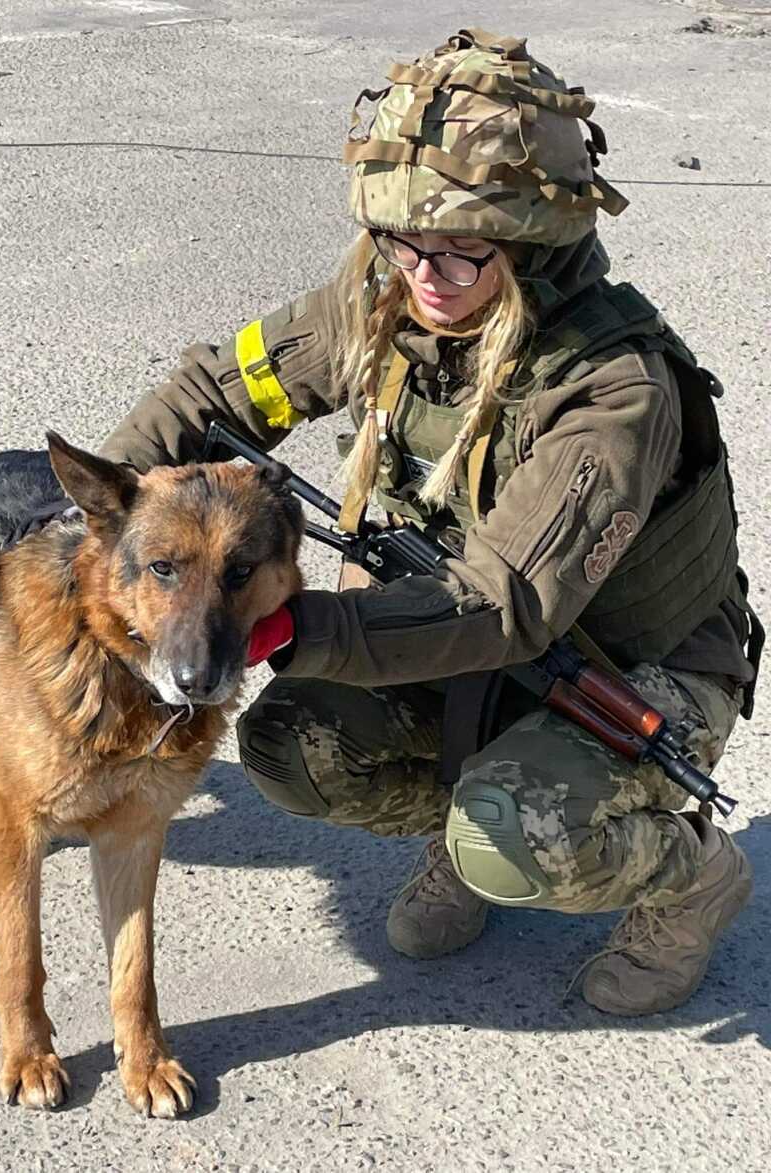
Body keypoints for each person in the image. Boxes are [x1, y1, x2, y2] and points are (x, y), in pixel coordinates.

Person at [100, 27, 762, 1013]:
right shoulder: (386, 291)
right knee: (291, 745)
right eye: (408, 241)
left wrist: (291, 627)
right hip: (462, 630)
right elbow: (218, 394)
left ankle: (687, 881)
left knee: (509, 839)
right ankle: (467, 815)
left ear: (536, 240)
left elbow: (504, 605)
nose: (427, 275)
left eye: (464, 250)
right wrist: (92, 507)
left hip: (632, 664)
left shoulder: (613, 390)